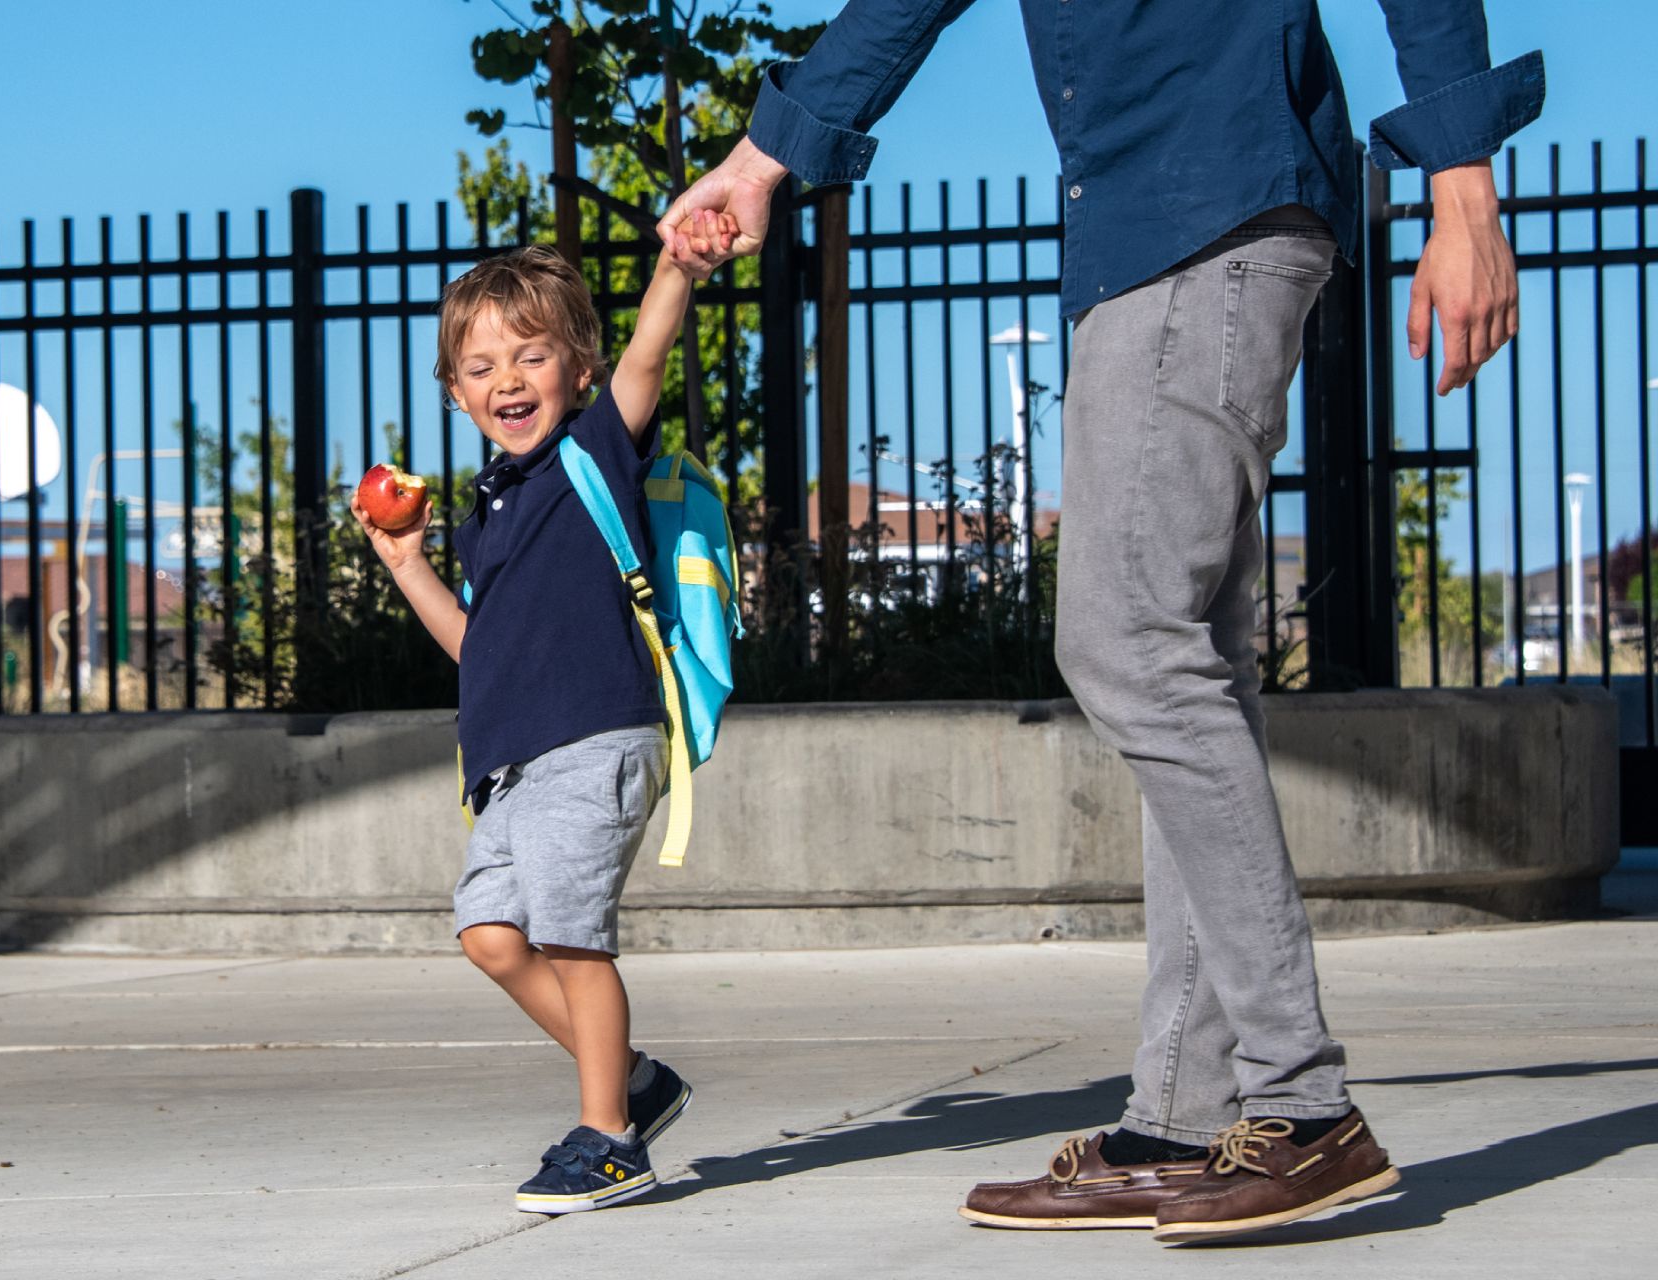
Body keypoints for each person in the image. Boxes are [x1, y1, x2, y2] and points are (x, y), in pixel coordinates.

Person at [657, 0, 1543, 1245]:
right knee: (1186, 665)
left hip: (1209, 216)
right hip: (1149, 232)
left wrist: (1464, 190)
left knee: (1127, 644)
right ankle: (1183, 1116)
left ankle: (1302, 1102)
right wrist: (762, 160)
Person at [355, 223, 737, 1214]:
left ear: (579, 369)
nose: (508, 378)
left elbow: (651, 351)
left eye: (531, 355)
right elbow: (476, 646)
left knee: (573, 938)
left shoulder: (594, 452)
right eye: (483, 365)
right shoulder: (489, 509)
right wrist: (408, 564)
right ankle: (635, 1083)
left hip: (597, 735)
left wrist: (675, 267)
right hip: (515, 762)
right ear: (456, 392)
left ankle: (610, 1135)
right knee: (489, 933)